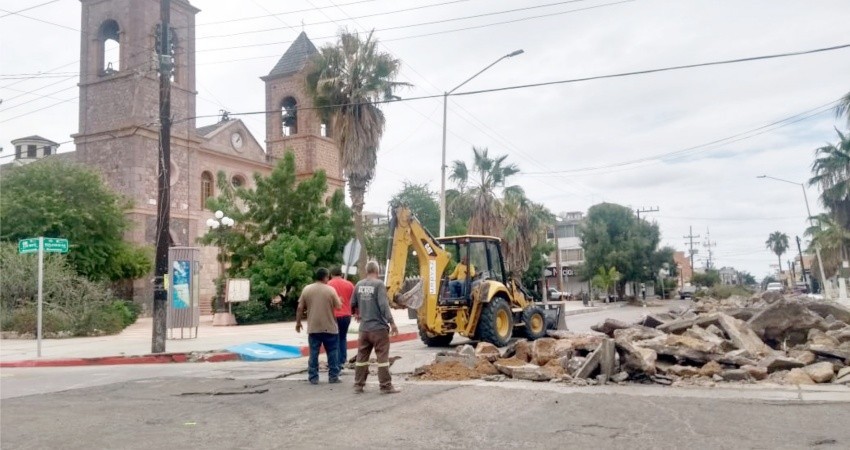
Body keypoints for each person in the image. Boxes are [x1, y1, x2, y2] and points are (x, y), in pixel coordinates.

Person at [351, 261, 400, 394]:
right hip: (378, 329)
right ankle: (385, 386)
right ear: (377, 271)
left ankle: (358, 385)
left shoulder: (359, 284)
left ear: (367, 271)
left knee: (361, 357)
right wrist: (392, 322)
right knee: (382, 358)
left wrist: (356, 313)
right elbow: (383, 305)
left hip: (364, 329)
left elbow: (352, 303)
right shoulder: (379, 284)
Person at [295, 267, 343, 385]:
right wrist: (340, 300)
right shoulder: (331, 290)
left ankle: (313, 377)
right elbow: (339, 306)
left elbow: (300, 307)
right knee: (332, 352)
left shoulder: (307, 289)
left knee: (314, 352)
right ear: (326, 277)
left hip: (313, 327)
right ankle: (333, 376)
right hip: (330, 327)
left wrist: (298, 322)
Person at [327, 266, 355, 369]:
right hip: (346, 316)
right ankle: (342, 360)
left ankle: (336, 362)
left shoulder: (328, 285)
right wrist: (356, 312)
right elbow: (354, 300)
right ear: (341, 274)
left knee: (334, 339)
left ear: (331, 275)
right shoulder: (349, 285)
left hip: (333, 316)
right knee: (343, 337)